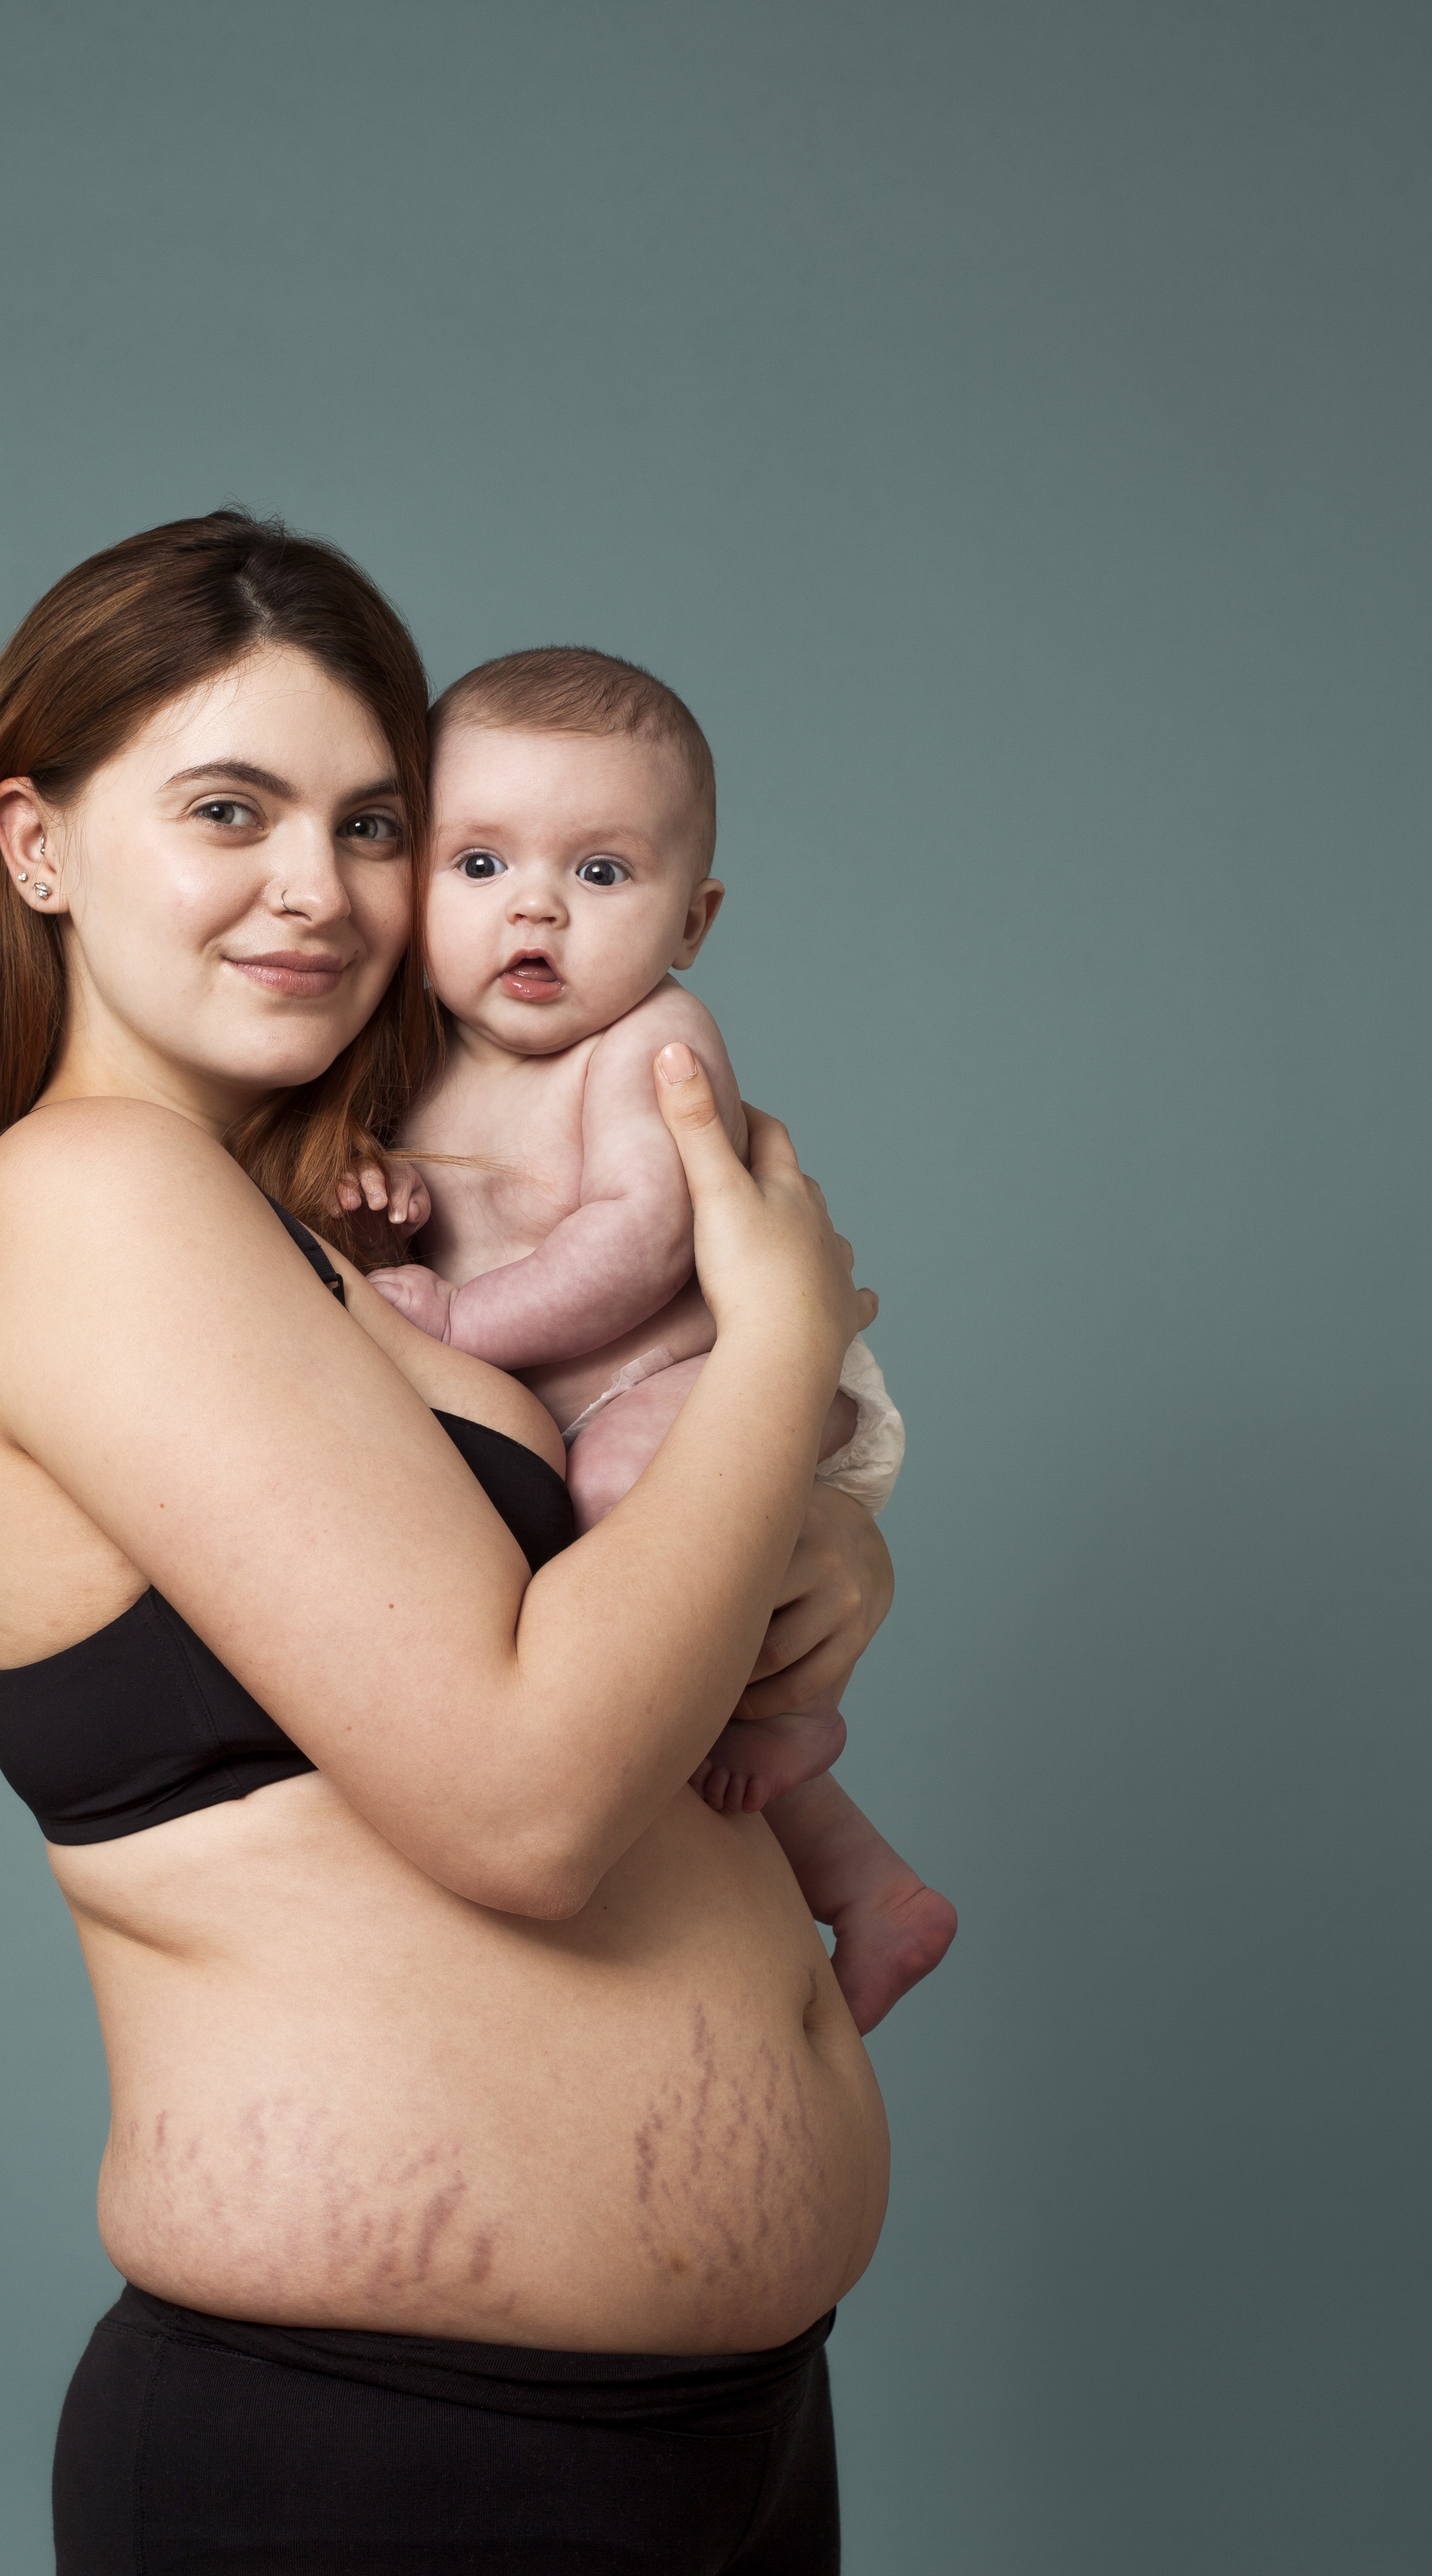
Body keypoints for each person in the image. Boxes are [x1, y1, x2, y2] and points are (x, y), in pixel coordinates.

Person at [0, 510, 900, 2576]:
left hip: (710, 2437)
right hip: (389, 2468)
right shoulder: (91, 1201)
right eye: (225, 809)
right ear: (37, 843)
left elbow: (667, 1624)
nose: (320, 889)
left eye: (371, 821)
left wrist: (823, 1548)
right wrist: (785, 1346)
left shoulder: (350, 1240)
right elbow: (532, 1794)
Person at [349, 644, 956, 2033]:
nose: (538, 914)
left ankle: (793, 1716)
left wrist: (455, 1318)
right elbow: (434, 1196)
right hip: (587, 1406)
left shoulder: (651, 1046)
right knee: (649, 1677)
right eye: (481, 865)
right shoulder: (415, 1057)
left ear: (694, 919)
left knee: (630, 1504)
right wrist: (385, 1197)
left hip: (683, 1377)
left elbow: (637, 1244)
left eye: (603, 874)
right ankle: (866, 1882)